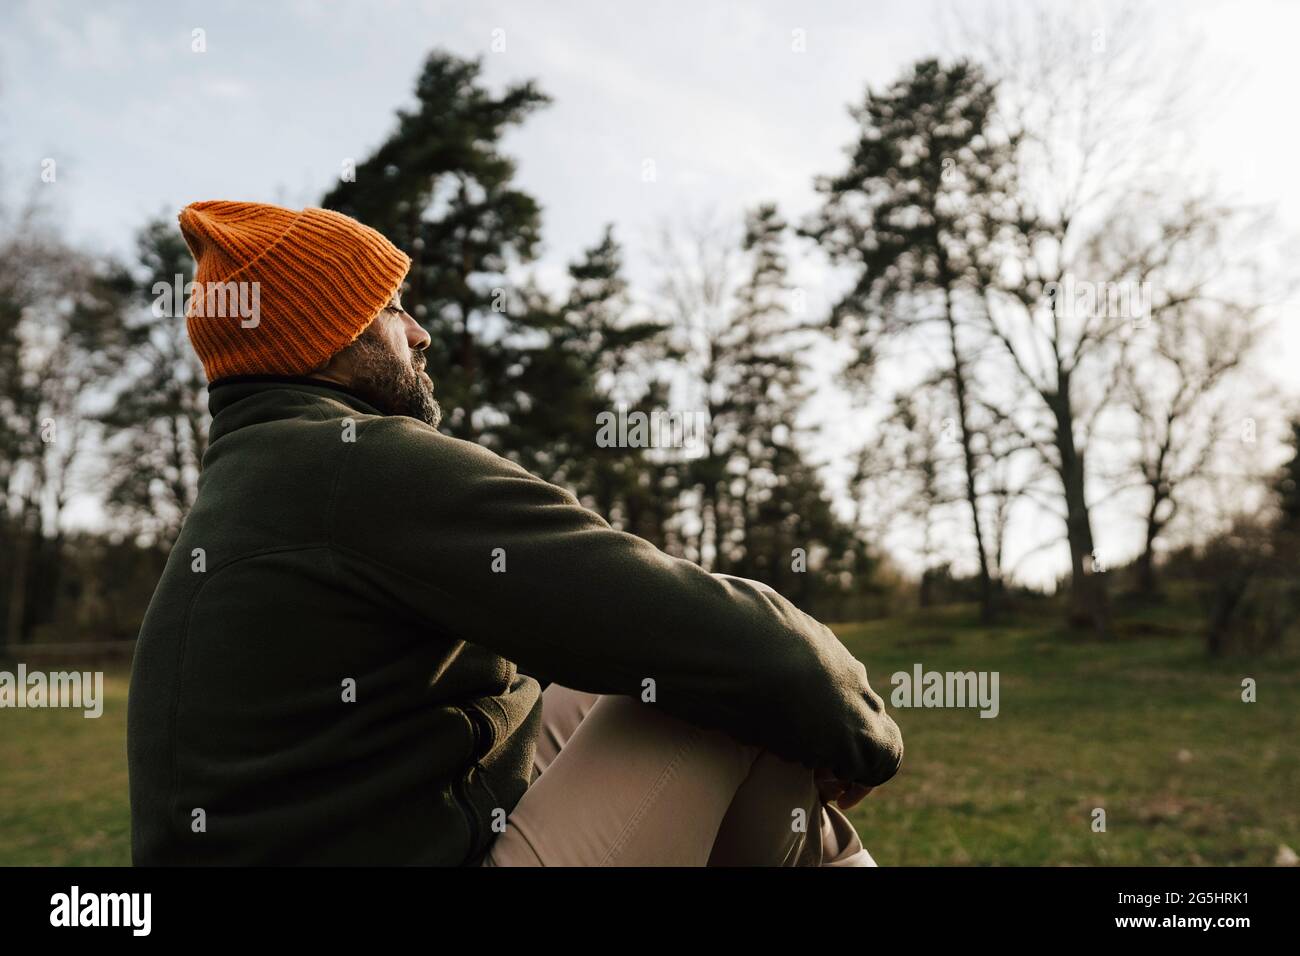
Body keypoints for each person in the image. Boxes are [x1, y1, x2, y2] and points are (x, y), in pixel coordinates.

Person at [127, 199, 903, 867]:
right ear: (326, 335)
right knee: (717, 687)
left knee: (635, 687)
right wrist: (857, 727)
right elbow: (706, 633)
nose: (421, 332)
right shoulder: (355, 467)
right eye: (392, 307)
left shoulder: (262, 475)